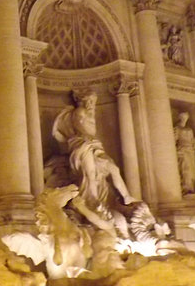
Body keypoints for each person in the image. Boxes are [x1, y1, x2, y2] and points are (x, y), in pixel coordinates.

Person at [52, 90, 138, 237]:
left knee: (113, 168)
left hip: (94, 145)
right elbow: (85, 129)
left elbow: (92, 130)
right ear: (83, 100)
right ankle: (91, 202)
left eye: (94, 101)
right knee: (90, 174)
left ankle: (127, 196)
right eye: (90, 101)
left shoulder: (89, 113)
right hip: (82, 144)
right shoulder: (79, 112)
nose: (92, 104)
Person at [174, 111, 195, 193]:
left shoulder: (190, 130)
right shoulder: (177, 129)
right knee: (185, 169)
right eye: (182, 117)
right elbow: (174, 141)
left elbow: (193, 144)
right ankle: (185, 188)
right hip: (182, 151)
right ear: (180, 118)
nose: (184, 119)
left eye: (186, 117)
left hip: (190, 152)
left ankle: (190, 187)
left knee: (192, 170)